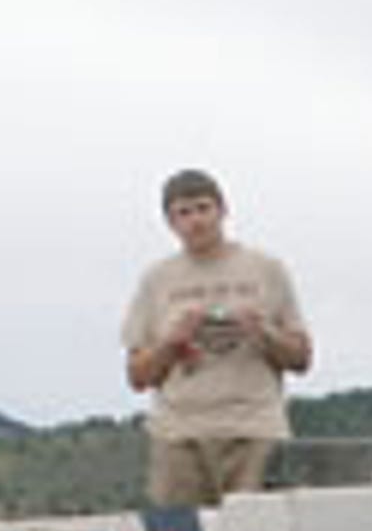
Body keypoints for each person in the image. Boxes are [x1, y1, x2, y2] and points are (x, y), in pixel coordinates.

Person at [120, 168, 312, 506]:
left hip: (254, 432)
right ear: (170, 222)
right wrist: (171, 341)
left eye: (203, 208)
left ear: (223, 210)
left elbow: (302, 358)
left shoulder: (266, 269)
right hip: (179, 436)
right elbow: (138, 376)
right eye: (183, 212)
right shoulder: (156, 280)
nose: (196, 221)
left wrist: (263, 331)